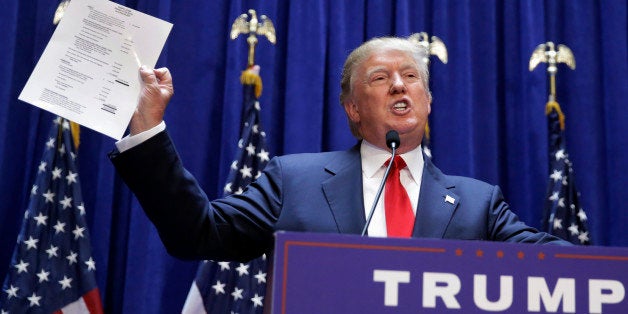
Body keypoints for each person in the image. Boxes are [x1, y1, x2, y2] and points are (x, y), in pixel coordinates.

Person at [109, 36, 568, 262]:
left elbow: (558, 267)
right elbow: (198, 234)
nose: (399, 86)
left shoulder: (477, 203)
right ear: (352, 108)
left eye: (411, 77)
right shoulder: (295, 181)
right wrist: (148, 128)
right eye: (380, 78)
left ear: (428, 102)